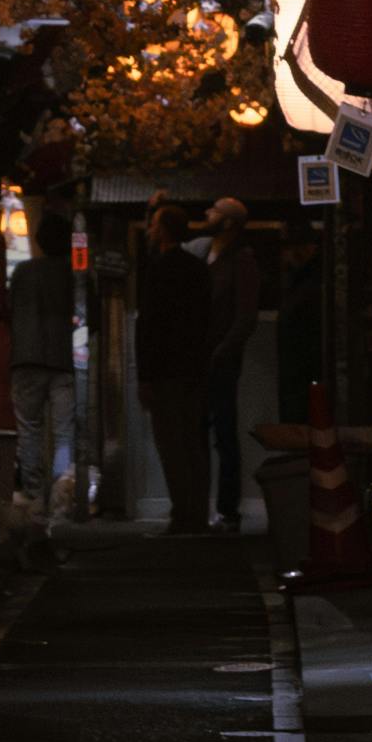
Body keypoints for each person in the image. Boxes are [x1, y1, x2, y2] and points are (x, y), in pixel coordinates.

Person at [131, 203, 216, 530]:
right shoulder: (197, 269)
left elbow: (149, 326)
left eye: (153, 225)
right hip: (193, 368)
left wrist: (145, 375)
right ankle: (197, 512)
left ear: (164, 230)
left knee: (171, 444)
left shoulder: (159, 270)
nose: (150, 231)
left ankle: (183, 513)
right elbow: (207, 319)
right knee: (193, 442)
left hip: (165, 370)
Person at [195, 202, 265, 531]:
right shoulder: (206, 252)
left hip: (221, 358)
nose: (208, 214)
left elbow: (245, 315)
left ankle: (227, 508)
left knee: (223, 431)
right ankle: (201, 506)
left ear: (229, 223)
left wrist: (224, 349)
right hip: (202, 354)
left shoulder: (240, 260)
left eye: (215, 212)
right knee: (200, 430)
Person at [5, 216, 72, 512]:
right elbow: (89, 314)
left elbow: (9, 309)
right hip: (64, 359)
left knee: (29, 429)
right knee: (64, 431)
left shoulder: (23, 271)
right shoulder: (73, 274)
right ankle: (60, 496)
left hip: (26, 358)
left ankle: (33, 495)